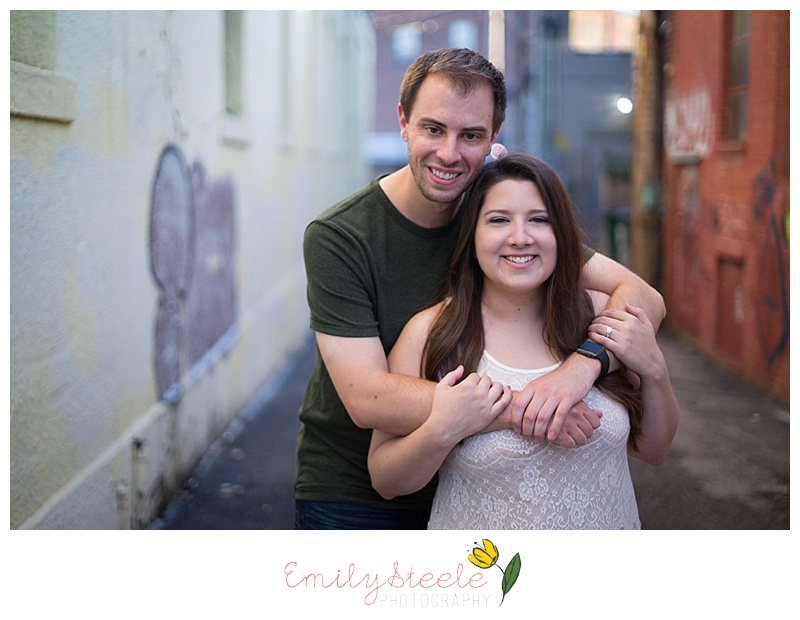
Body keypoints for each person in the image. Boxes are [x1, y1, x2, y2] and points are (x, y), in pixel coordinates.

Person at [294, 48, 666, 529]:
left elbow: (644, 298)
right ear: (403, 122)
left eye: (470, 135)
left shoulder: (499, 213)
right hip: (357, 497)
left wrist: (578, 371)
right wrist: (532, 407)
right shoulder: (342, 237)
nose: (449, 154)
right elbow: (368, 397)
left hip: (472, 481)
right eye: (433, 129)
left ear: (494, 136)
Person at [367, 153, 679, 529]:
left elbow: (654, 450)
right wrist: (445, 427)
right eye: (499, 220)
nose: (520, 238)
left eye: (539, 220)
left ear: (560, 235)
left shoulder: (603, 316)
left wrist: (655, 371)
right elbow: (386, 481)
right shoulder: (431, 332)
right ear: (472, 236)